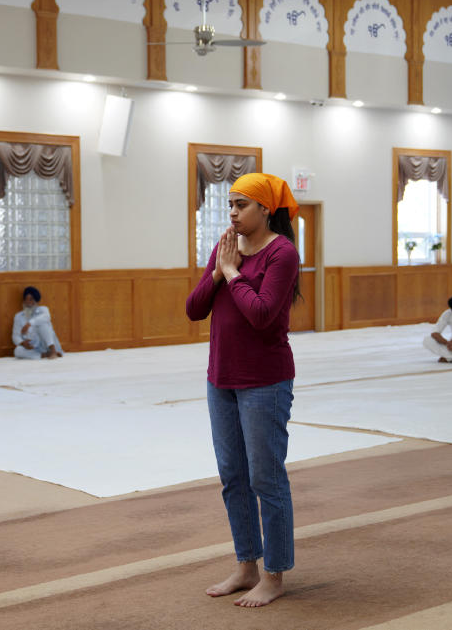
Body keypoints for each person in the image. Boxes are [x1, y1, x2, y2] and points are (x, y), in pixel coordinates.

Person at [186, 172, 301, 608]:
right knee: (233, 478)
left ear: (265, 210)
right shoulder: (225, 247)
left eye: (241, 205)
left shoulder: (282, 253)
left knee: (265, 479)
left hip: (265, 382)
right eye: (230, 205)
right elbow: (194, 309)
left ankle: (274, 574)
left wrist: (232, 274)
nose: (232, 212)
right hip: (222, 379)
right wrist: (217, 272)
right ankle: (246, 565)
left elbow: (261, 314)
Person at [12, 286, 63, 359]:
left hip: (45, 344)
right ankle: (45, 355)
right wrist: (23, 343)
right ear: (23, 301)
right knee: (17, 351)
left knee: (43, 324)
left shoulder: (43, 310)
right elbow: (15, 336)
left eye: (31, 299)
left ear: (37, 301)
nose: (29, 302)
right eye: (27, 299)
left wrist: (29, 324)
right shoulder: (18, 316)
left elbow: (46, 317)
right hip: (32, 347)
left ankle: (53, 351)